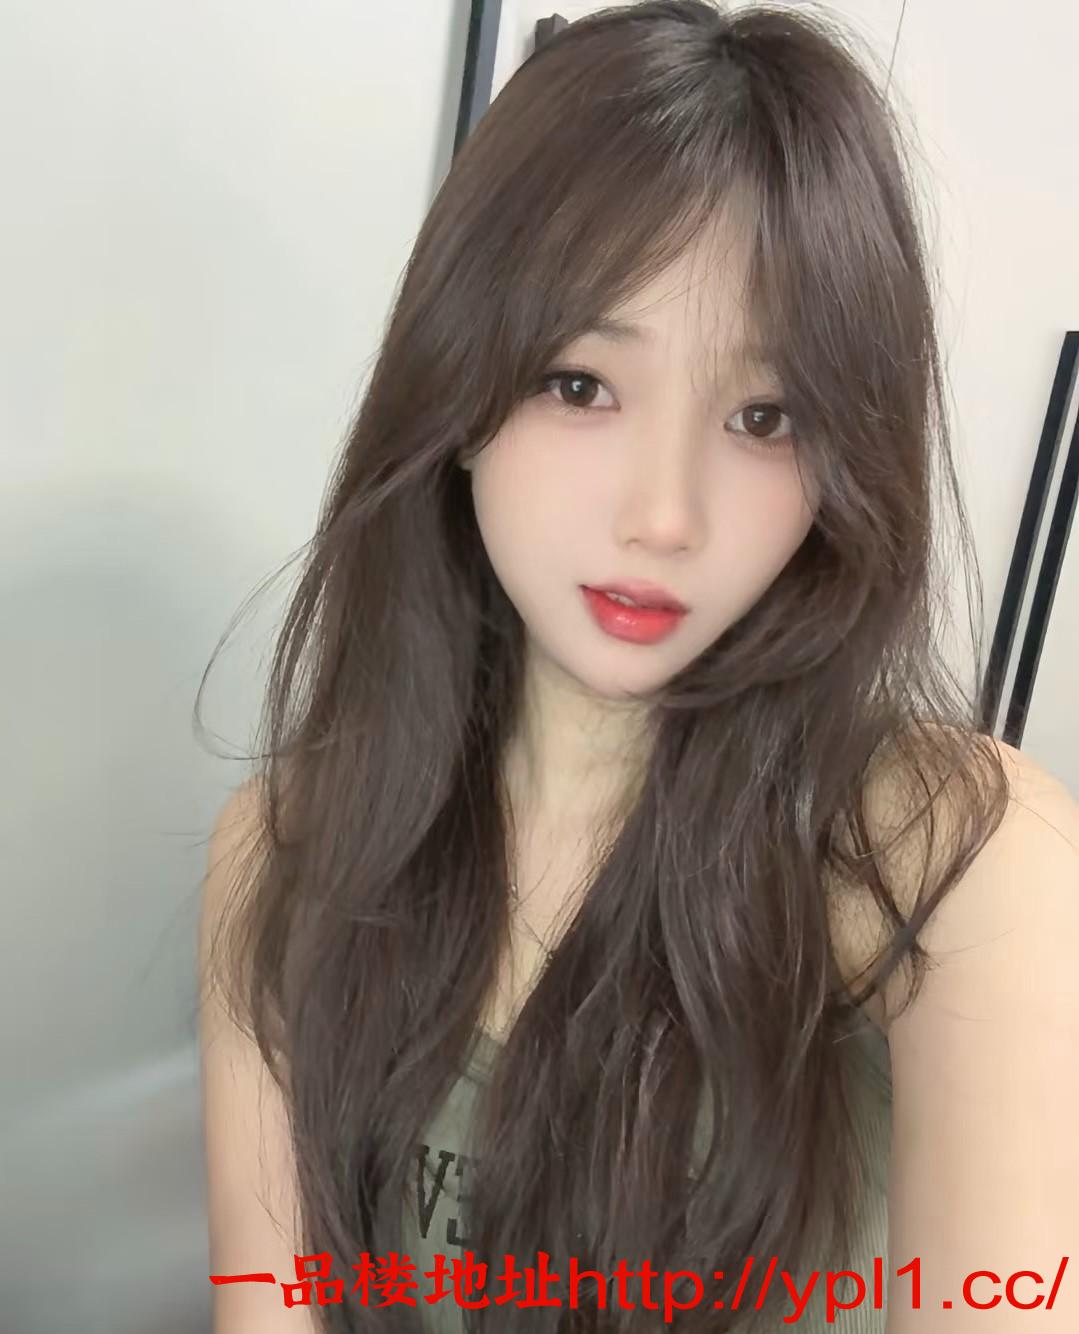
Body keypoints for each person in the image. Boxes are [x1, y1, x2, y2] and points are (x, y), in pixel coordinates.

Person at [196, 3, 1079, 1331]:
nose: (665, 516)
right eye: (582, 386)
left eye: (764, 417)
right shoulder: (288, 849)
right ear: (459, 387)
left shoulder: (953, 861)